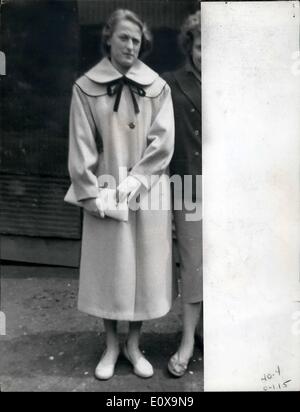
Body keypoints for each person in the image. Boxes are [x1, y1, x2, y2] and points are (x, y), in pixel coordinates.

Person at [65, 9, 175, 380]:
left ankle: (133, 344)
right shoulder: (85, 88)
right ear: (108, 38)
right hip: (106, 191)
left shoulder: (158, 87)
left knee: (143, 267)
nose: (131, 45)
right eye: (124, 37)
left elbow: (163, 144)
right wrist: (93, 194)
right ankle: (111, 345)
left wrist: (137, 182)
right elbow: (80, 147)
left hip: (147, 190)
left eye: (136, 39)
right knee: (110, 269)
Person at [162, 10, 202, 377]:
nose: (207, 55)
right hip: (188, 185)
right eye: (202, 46)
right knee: (193, 265)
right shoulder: (170, 83)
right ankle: (187, 340)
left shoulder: (233, 84)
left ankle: (209, 331)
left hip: (230, 187)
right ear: (190, 46)